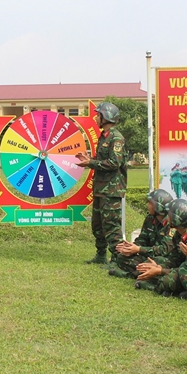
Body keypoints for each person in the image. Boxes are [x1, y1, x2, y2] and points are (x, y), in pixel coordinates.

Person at [76, 102, 127, 265]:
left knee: (112, 227)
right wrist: (88, 158)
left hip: (112, 191)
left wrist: (90, 163)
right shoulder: (104, 136)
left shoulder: (116, 138)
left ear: (105, 117)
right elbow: (102, 160)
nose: (95, 118)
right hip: (100, 189)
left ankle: (118, 259)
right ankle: (101, 255)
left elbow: (114, 163)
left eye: (98, 115)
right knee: (97, 225)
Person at [109, 189, 173, 279]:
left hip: (164, 259)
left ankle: (132, 275)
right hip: (148, 255)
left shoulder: (171, 224)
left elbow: (164, 250)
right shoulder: (150, 218)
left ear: (159, 208)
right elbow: (142, 238)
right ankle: (143, 274)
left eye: (150, 203)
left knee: (156, 261)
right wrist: (131, 247)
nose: (148, 205)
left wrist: (139, 249)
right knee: (121, 257)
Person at [134, 198, 187, 291]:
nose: (167, 217)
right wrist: (158, 266)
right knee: (147, 265)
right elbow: (174, 258)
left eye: (170, 215)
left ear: (176, 219)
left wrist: (160, 271)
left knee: (168, 280)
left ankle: (156, 287)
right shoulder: (179, 233)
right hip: (179, 267)